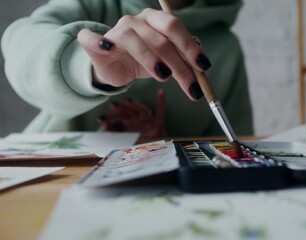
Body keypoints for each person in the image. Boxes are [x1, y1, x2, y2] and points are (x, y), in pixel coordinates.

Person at [1, 0, 253, 138]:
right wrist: (90, 67)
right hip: (48, 180)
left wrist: (162, 145)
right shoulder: (93, 4)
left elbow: (235, 149)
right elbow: (18, 42)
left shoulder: (227, 48)